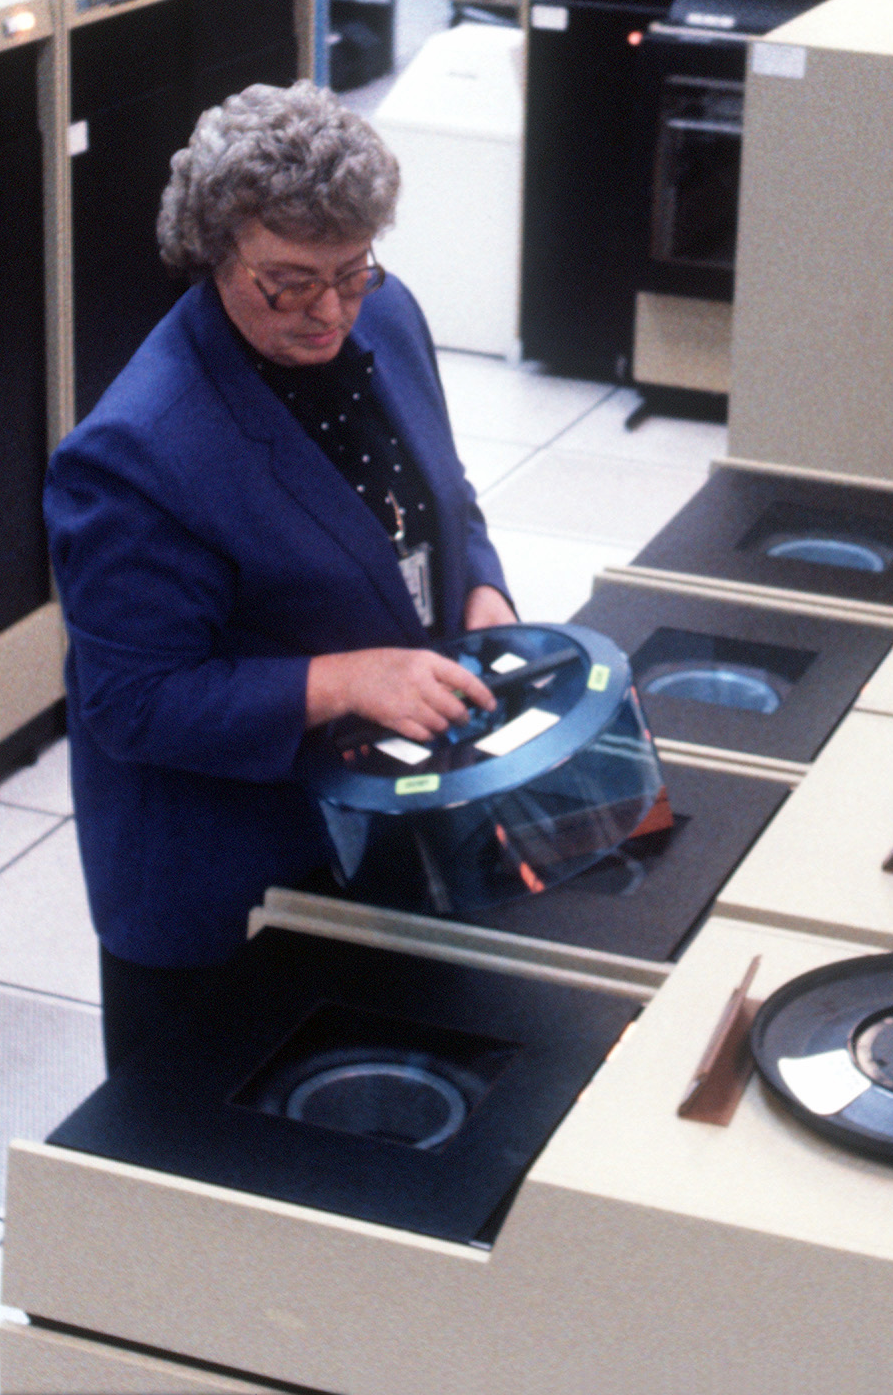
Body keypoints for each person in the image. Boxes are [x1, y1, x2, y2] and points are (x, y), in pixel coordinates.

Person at [43, 81, 518, 1066]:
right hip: (226, 873)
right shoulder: (138, 449)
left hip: (380, 814)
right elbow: (133, 700)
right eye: (289, 282)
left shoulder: (388, 319)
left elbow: (443, 491)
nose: (329, 310)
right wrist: (350, 678)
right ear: (213, 250)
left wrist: (482, 587)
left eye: (352, 272)